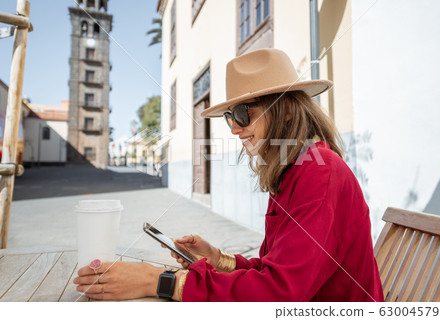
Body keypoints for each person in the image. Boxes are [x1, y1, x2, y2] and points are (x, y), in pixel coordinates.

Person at [74, 48, 384, 302]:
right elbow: (274, 269)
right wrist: (217, 259)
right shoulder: (297, 168)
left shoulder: (319, 173)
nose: (234, 128)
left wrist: (159, 281)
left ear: (286, 109)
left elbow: (279, 293)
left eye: (242, 113)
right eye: (229, 117)